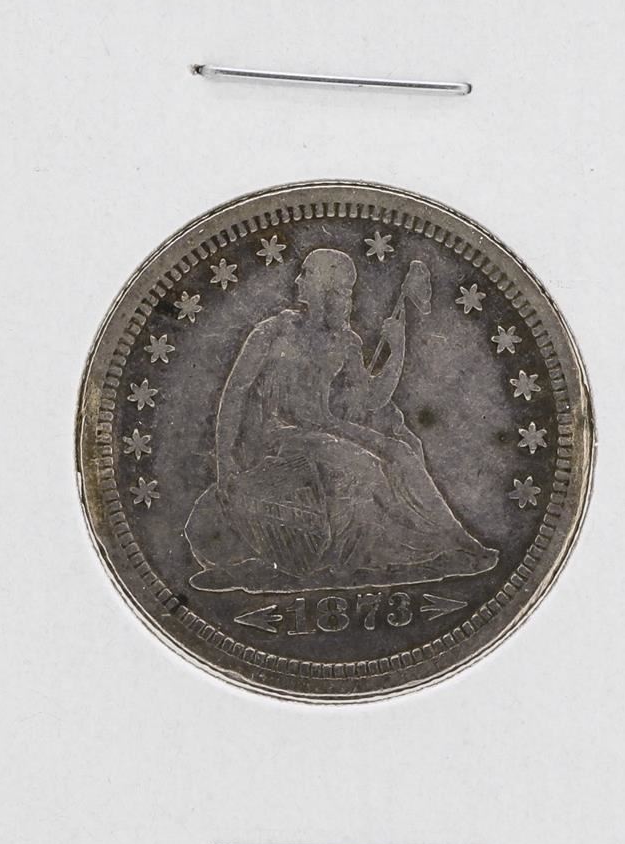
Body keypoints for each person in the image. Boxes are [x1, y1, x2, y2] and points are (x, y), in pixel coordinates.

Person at [184, 247, 498, 592]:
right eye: (303, 273)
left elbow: (372, 398)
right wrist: (224, 461)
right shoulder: (273, 332)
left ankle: (455, 540)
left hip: (324, 426)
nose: (298, 281)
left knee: (402, 452)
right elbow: (235, 393)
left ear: (324, 288)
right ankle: (374, 555)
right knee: (362, 465)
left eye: (306, 274)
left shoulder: (346, 342)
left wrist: (397, 349)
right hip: (277, 436)